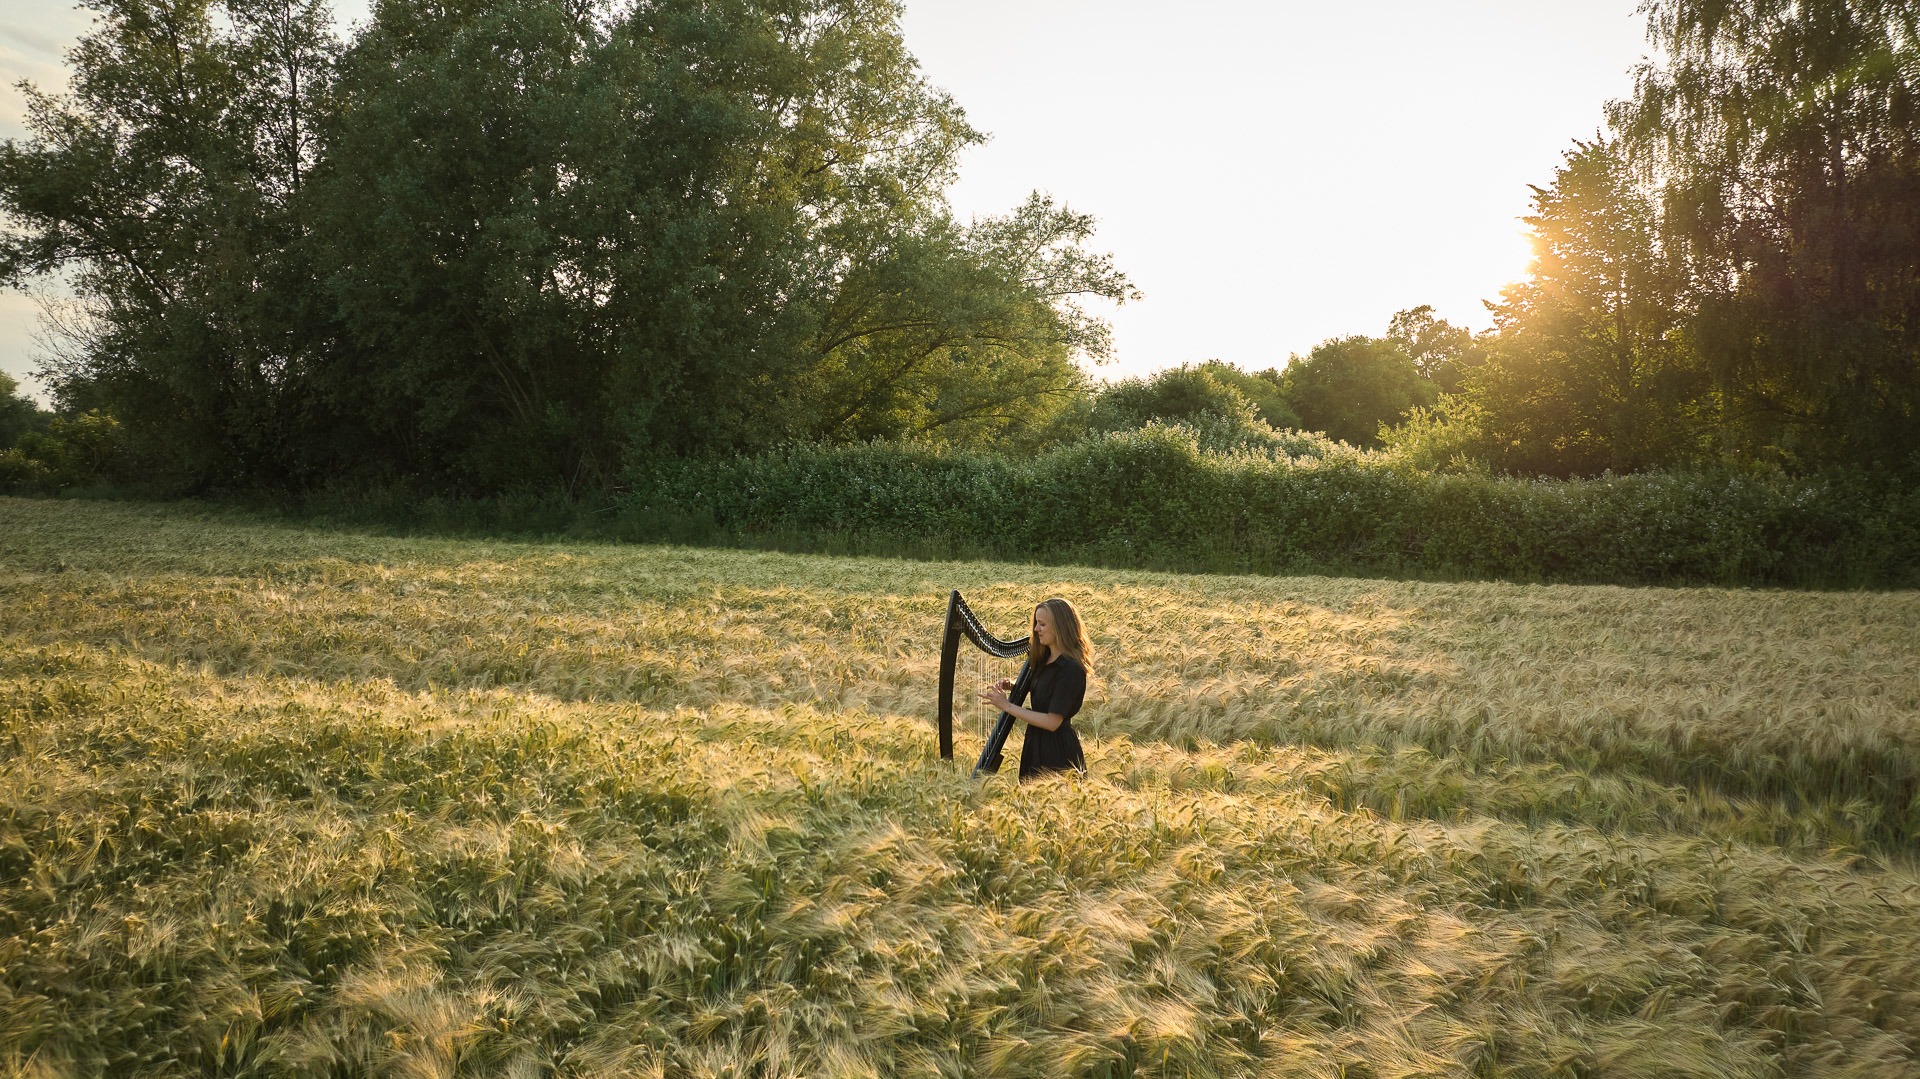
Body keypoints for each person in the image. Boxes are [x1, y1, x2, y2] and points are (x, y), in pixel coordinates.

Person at [978, 597, 1092, 779]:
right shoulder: (1044, 660)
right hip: (1035, 745)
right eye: (1036, 623)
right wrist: (1012, 686)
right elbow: (1047, 694)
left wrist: (1007, 706)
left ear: (1060, 627)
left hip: (1057, 754)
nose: (1036, 629)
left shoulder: (1070, 669)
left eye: (1042, 624)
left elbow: (1052, 722)